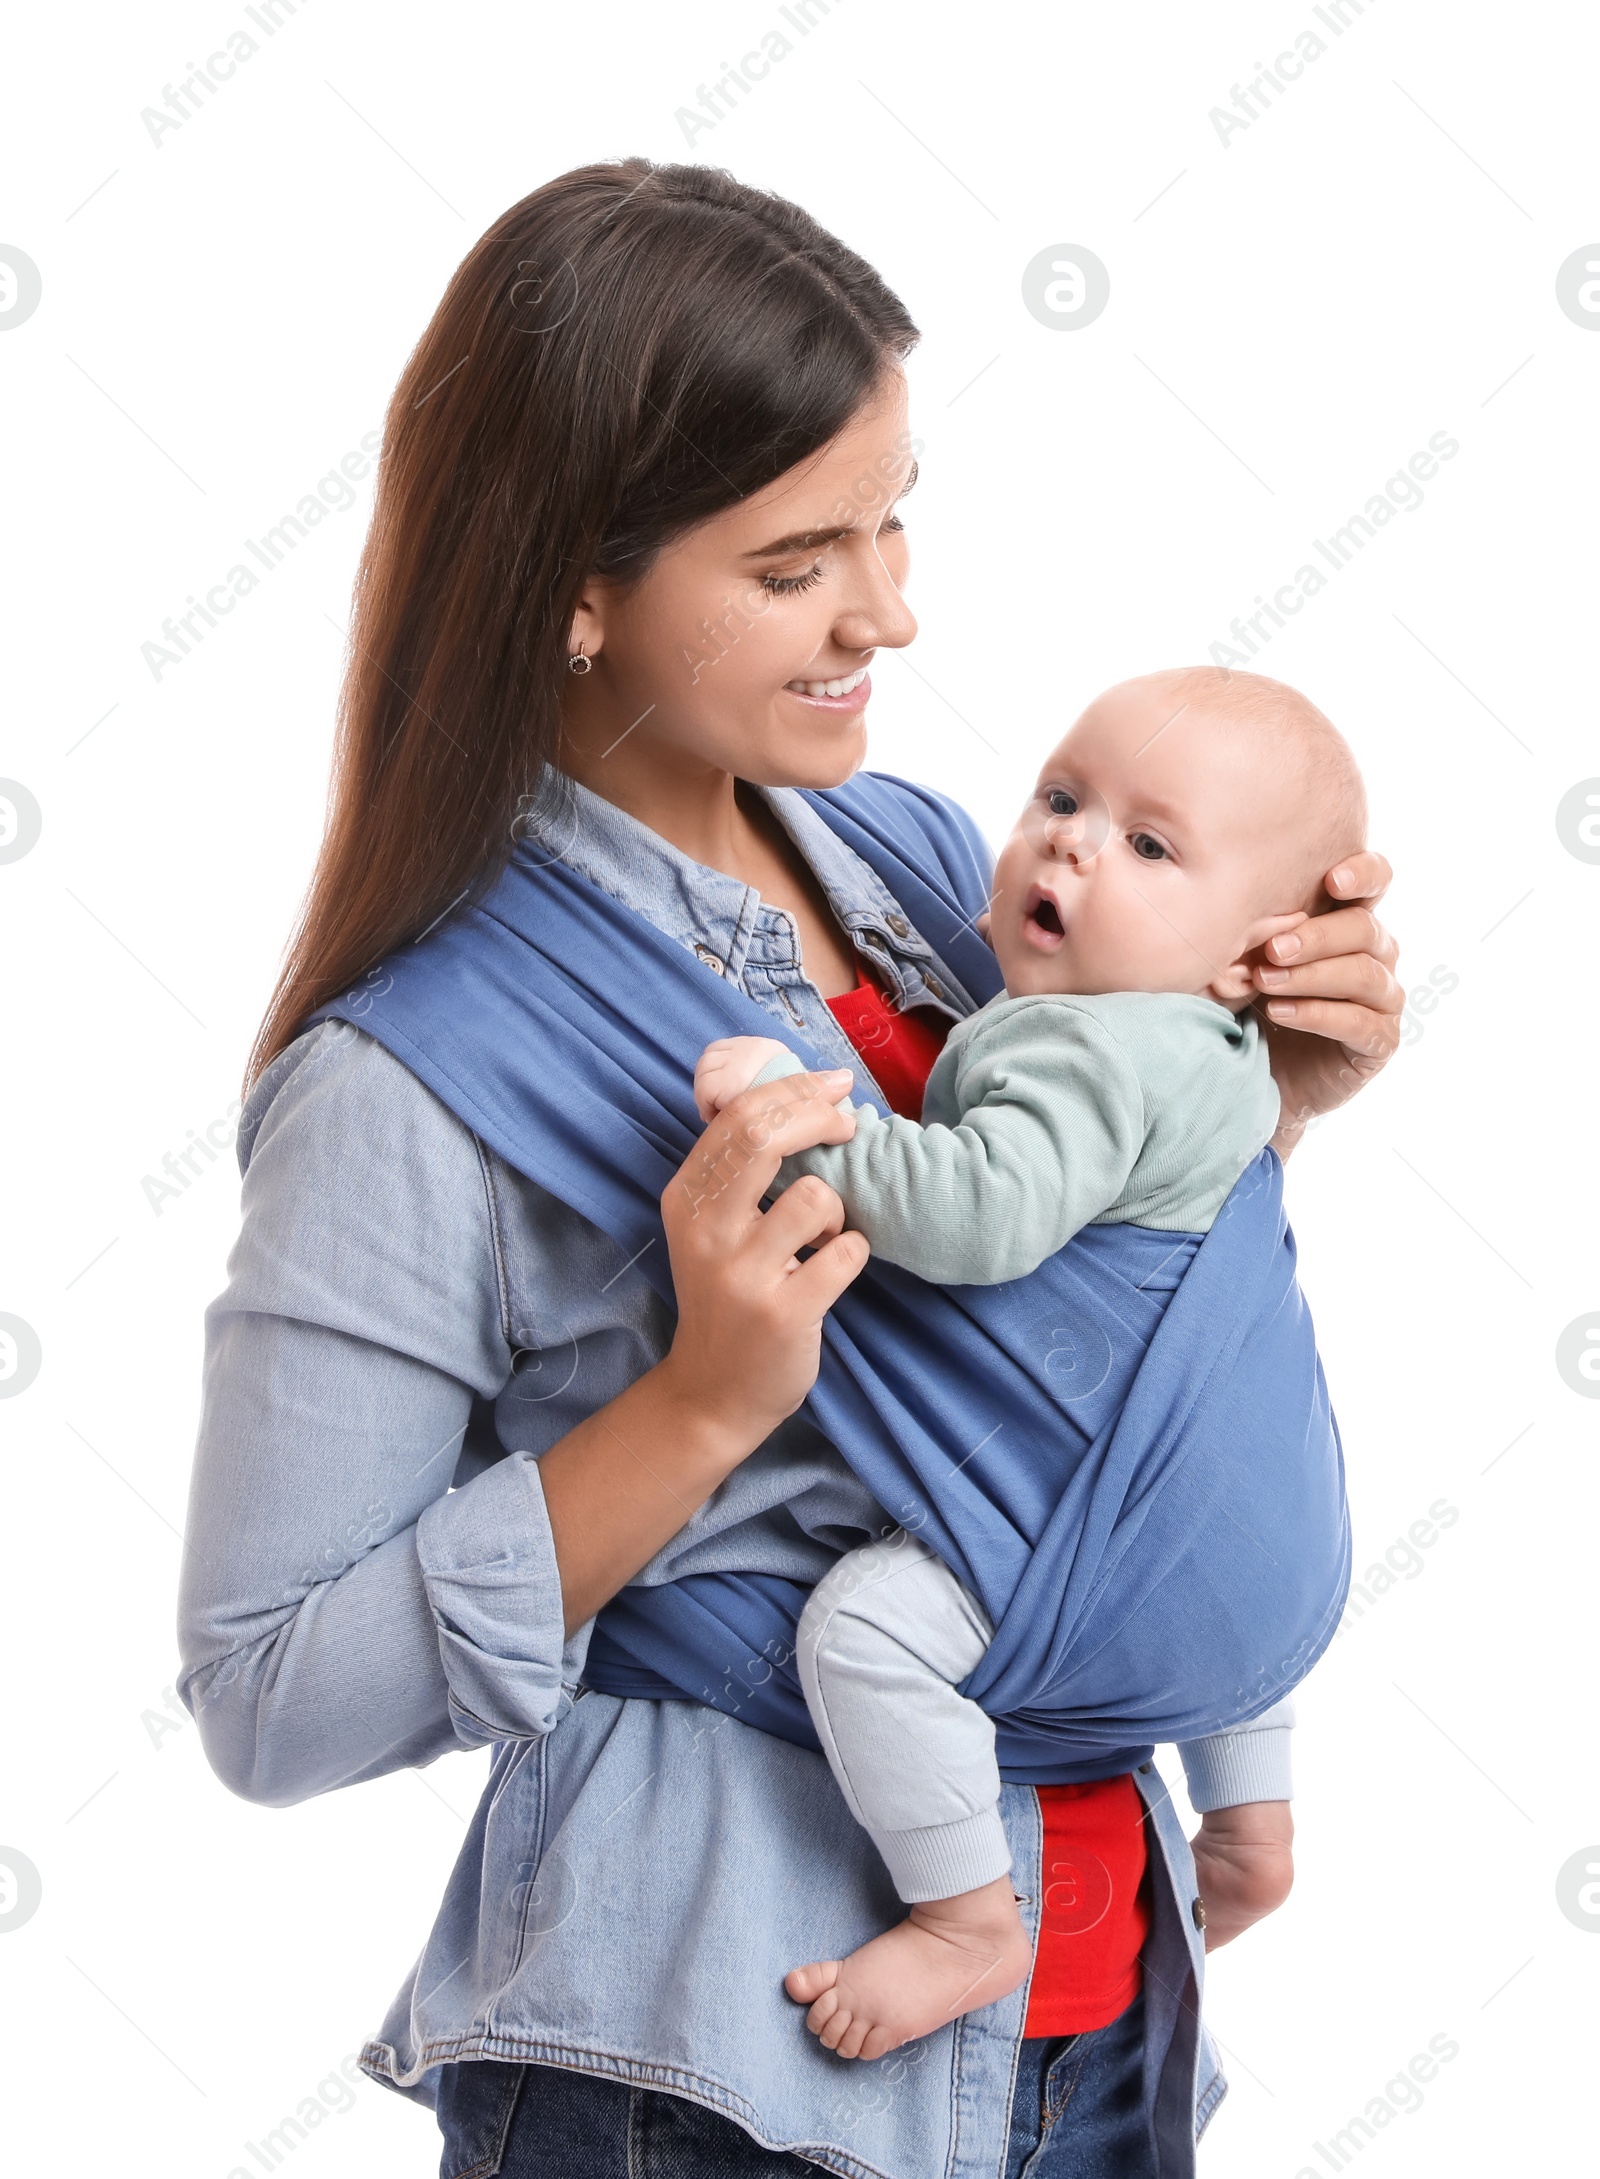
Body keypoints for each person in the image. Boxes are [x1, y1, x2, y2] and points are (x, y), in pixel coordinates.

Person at [178, 161, 1403, 2179]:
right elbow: (268, 1695)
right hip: (722, 2062)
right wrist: (696, 1406)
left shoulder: (927, 866)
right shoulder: (402, 1079)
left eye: (892, 515)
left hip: (1088, 2011)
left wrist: (1268, 1093)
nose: (889, 611)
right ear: (574, 581)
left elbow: (1039, 1355)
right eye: (793, 560)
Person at [692, 667, 1364, 2061]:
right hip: (1257, 1555)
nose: (1069, 841)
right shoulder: (1226, 1055)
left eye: (1149, 844)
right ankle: (1248, 1818)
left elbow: (979, 1214)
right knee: (1186, 1499)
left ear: (1260, 950)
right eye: (1060, 797)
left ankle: (962, 1921)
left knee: (867, 1629)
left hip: (1097, 1542)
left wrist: (796, 1126)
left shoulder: (1089, 1050)